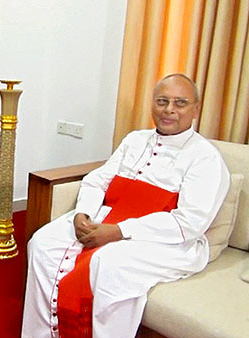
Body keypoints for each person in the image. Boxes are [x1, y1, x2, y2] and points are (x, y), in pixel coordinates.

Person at [22, 74, 230, 338]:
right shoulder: (135, 140)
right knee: (42, 242)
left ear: (196, 109)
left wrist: (119, 231)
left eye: (180, 103)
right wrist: (82, 213)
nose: (169, 110)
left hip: (167, 239)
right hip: (110, 215)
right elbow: (97, 180)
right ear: (152, 104)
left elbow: (188, 223)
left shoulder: (205, 158)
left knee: (108, 264)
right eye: (162, 101)